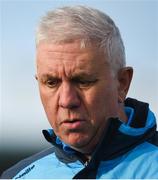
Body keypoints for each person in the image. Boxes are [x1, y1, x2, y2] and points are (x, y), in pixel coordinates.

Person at [1, 5, 158, 179]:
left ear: (122, 83)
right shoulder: (17, 176)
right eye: (51, 82)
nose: (67, 100)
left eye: (83, 81)